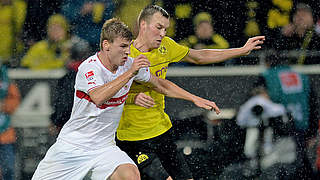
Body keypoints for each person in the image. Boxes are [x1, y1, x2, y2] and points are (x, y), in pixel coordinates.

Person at [32, 18, 220, 180]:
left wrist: (193, 98)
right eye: (122, 46)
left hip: (104, 148)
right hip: (72, 147)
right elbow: (99, 97)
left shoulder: (128, 64)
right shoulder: (89, 68)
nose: (128, 52)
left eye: (129, 46)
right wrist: (130, 73)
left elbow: (160, 84)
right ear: (106, 45)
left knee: (130, 174)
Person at [116, 4, 265, 180]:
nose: (163, 33)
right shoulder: (124, 55)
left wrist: (241, 50)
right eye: (158, 27)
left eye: (165, 29)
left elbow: (199, 56)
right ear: (143, 25)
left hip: (161, 131)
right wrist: (133, 98)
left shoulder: (166, 46)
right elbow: (106, 96)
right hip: (133, 136)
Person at [254, 49, 319, 179]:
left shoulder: (267, 76)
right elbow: (313, 104)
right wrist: (311, 131)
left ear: (267, 62)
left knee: (276, 168)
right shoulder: (302, 77)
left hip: (279, 131)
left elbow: (257, 100)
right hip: (302, 129)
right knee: (301, 166)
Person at [0, 64, 21, 180]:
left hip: (5, 135)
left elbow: (15, 102)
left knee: (8, 168)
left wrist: (4, 106)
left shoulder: (6, 80)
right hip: (5, 133)